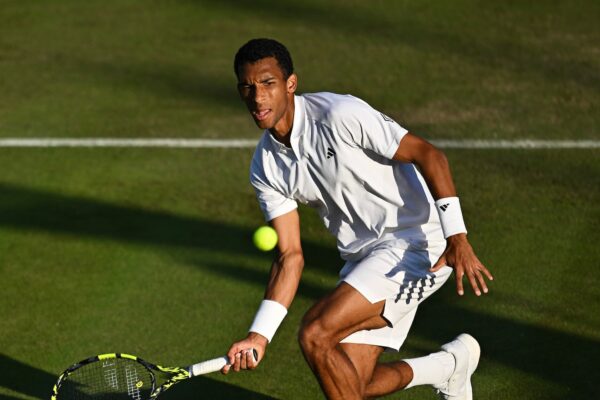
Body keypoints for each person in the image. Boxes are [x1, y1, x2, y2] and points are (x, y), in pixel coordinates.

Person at [222, 38, 493, 400]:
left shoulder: (339, 114)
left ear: (290, 84)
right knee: (351, 381)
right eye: (247, 86)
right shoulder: (266, 166)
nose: (257, 98)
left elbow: (429, 155)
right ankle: (450, 367)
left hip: (418, 242)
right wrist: (260, 334)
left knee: (315, 333)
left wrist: (457, 236)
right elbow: (290, 257)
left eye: (268, 84)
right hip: (365, 258)